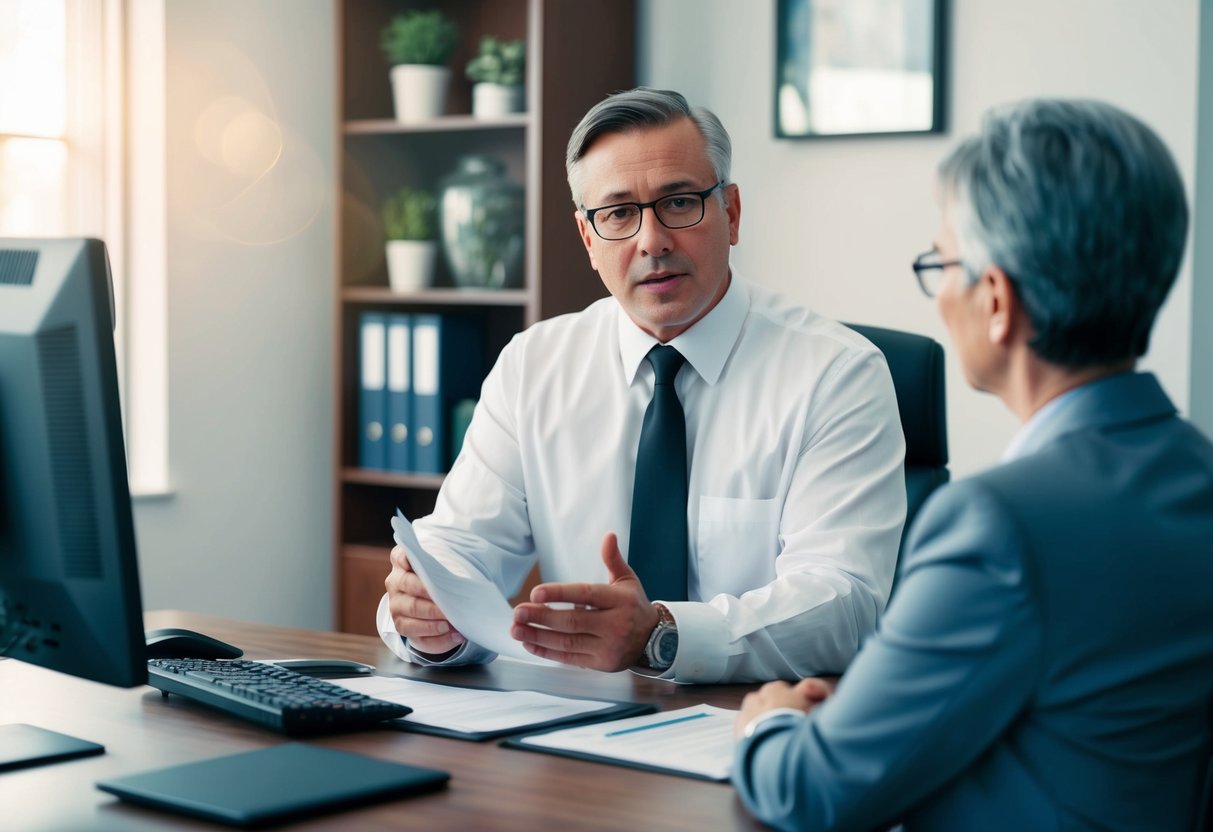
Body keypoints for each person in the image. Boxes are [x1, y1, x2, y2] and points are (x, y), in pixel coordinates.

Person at [732, 98, 1213, 829]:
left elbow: (813, 791)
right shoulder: (1195, 472)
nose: (938, 293)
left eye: (942, 262)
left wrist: (769, 723)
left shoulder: (998, 526)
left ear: (995, 299)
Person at [377, 87, 906, 684]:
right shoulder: (534, 365)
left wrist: (661, 635)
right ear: (588, 240)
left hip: (758, 727)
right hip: (577, 733)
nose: (651, 240)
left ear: (731, 214)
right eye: (619, 213)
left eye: (679, 203)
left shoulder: (837, 374)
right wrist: (429, 620)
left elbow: (846, 603)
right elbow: (459, 552)